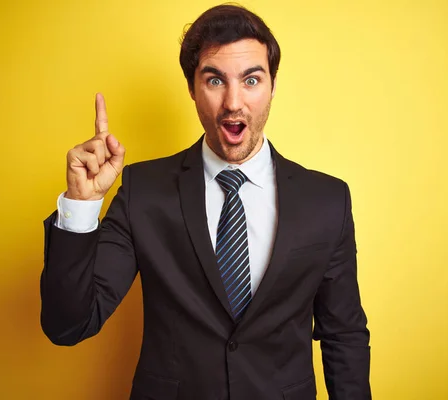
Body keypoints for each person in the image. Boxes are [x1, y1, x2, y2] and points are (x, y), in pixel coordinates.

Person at [40, 4, 371, 399]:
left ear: (273, 85)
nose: (233, 102)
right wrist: (81, 206)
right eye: (215, 81)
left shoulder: (327, 200)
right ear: (192, 89)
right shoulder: (143, 191)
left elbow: (344, 336)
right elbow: (68, 325)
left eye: (251, 80)